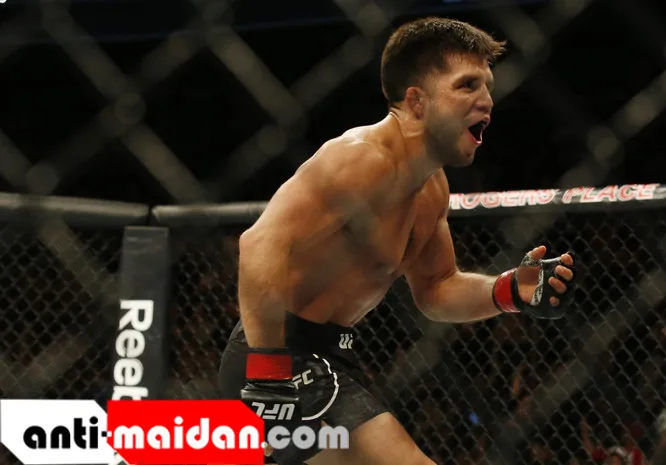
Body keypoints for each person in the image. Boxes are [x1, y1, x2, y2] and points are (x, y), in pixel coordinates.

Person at [218, 16, 579, 465]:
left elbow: (437, 288)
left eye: (487, 86)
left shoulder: (432, 189)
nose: (487, 100)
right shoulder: (358, 159)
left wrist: (508, 291)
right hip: (277, 354)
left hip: (330, 356)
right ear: (417, 101)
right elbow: (258, 244)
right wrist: (269, 370)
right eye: (467, 85)